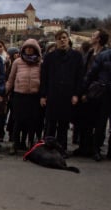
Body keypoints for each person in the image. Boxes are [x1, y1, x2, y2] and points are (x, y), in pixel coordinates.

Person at [39, 30, 84, 157]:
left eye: (64, 38)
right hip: (53, 94)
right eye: (59, 38)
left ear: (68, 39)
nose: (62, 40)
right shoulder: (49, 57)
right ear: (56, 41)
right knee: (50, 124)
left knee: (64, 124)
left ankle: (61, 149)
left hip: (67, 95)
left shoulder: (76, 56)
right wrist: (43, 95)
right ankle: (48, 148)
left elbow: (79, 77)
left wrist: (76, 94)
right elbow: (44, 78)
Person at [75, 29, 108, 160]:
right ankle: (84, 147)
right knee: (85, 120)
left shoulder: (106, 54)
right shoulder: (89, 53)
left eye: (94, 35)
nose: (91, 37)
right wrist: (82, 91)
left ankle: (96, 149)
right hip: (88, 92)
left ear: (99, 39)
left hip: (101, 92)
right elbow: (85, 74)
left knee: (100, 123)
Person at [5, 39, 42, 155]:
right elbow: (11, 79)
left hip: (34, 96)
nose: (29, 49)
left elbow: (44, 80)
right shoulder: (17, 62)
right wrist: (5, 93)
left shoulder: (40, 63)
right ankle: (15, 143)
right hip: (19, 95)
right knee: (17, 121)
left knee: (32, 121)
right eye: (27, 47)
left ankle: (30, 143)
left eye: (32, 48)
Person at [83, 33, 111, 161]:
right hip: (103, 93)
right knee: (100, 123)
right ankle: (96, 149)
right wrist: (83, 91)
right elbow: (91, 74)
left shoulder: (103, 55)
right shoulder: (104, 56)